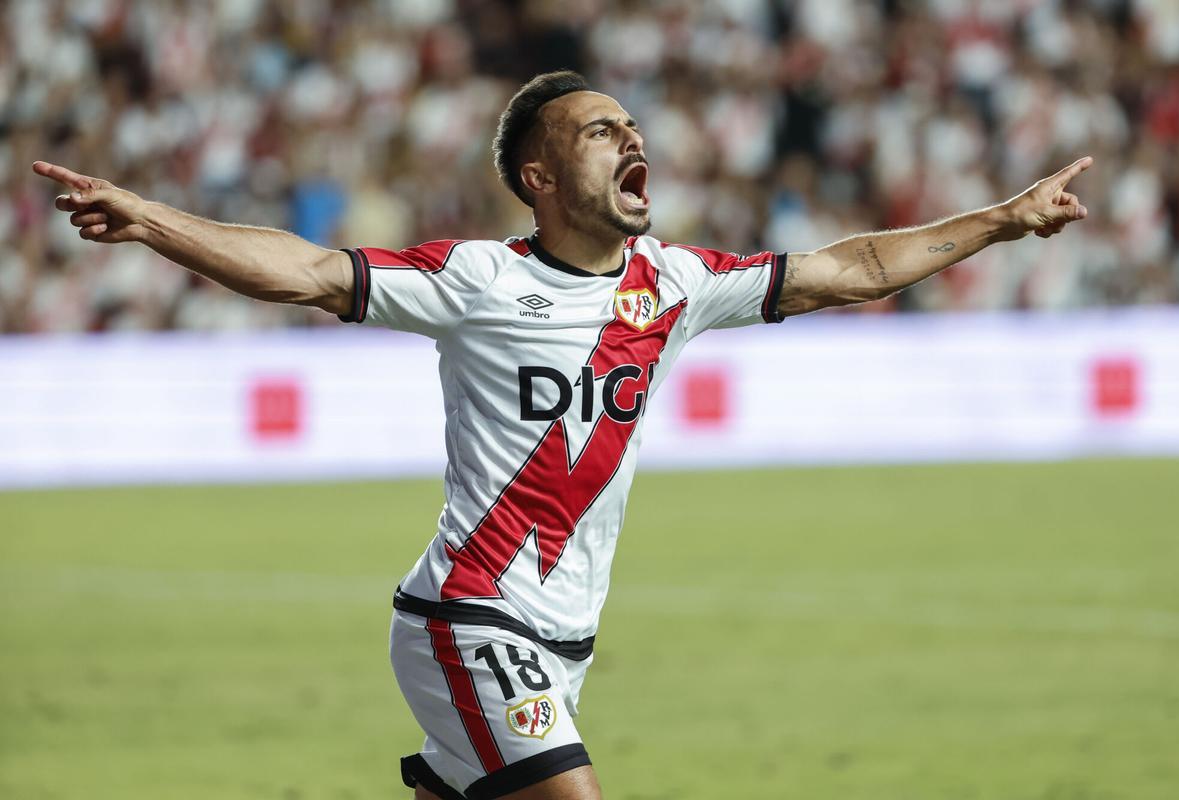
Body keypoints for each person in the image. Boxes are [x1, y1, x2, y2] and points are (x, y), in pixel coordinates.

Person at [33, 70, 1091, 800]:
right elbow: (306, 270)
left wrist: (1005, 216)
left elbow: (850, 268)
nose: (631, 139)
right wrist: (153, 220)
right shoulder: (478, 281)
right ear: (539, 178)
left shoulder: (675, 282)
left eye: (630, 127)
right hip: (471, 619)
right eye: (598, 131)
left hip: (564, 641)